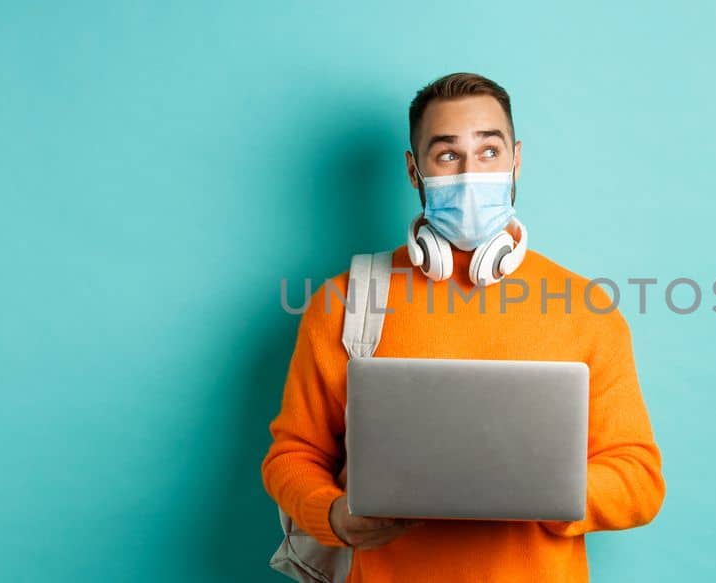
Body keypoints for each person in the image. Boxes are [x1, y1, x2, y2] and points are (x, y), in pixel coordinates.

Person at [261, 72, 665, 583]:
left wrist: (546, 490)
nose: (471, 173)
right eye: (447, 155)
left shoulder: (585, 308)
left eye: (490, 152)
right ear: (414, 170)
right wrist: (335, 515)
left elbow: (639, 478)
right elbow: (292, 455)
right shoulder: (345, 301)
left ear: (517, 159)